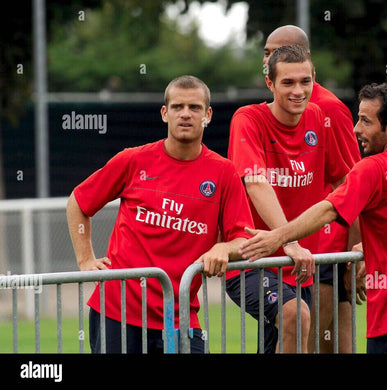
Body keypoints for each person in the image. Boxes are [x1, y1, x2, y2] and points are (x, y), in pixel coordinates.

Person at [239, 83, 387, 354]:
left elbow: (329, 210)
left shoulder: (373, 168)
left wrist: (279, 236)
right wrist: (368, 247)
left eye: (365, 121)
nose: (356, 129)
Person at [66, 75, 254, 353]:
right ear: (165, 113)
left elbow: (243, 238)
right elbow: (79, 203)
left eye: (195, 107)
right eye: (177, 107)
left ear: (208, 115)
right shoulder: (133, 160)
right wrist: (84, 260)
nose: (186, 114)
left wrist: (224, 248)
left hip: (179, 319)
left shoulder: (224, 172)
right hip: (117, 313)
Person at [225, 44, 350, 353]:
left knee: (292, 335)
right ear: (270, 83)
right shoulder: (248, 119)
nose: (298, 91)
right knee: (296, 315)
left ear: (314, 79)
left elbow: (345, 184)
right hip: (252, 260)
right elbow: (256, 183)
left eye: (305, 81)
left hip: (298, 271)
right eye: (288, 83)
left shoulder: (320, 117)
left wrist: (360, 242)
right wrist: (289, 240)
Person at [263, 25, 362, 353]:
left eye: (275, 53)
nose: (268, 60)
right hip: (294, 252)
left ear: (302, 58)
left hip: (323, 253)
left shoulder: (328, 109)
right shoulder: (276, 107)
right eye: (266, 54)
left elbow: (353, 182)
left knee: (309, 342)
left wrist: (352, 253)